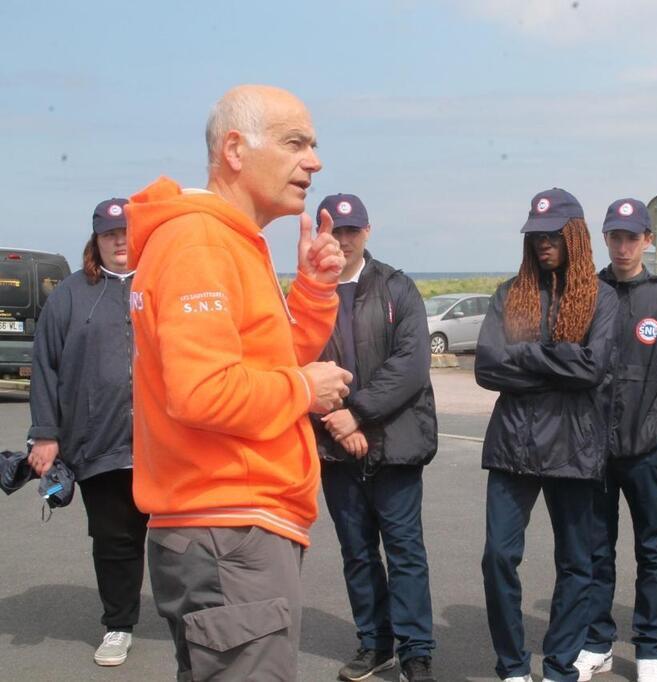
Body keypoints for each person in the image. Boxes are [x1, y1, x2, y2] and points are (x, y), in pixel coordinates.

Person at [127, 85, 350, 681]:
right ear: (235, 148)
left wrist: (313, 291)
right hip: (227, 526)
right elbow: (203, 391)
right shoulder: (200, 242)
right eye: (295, 142)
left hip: (225, 525)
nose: (314, 160)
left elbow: (265, 358)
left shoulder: (226, 241)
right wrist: (304, 390)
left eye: (313, 145)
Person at [476, 187, 618, 682]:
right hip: (512, 444)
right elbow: (488, 368)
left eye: (553, 233)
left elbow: (594, 368)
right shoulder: (506, 294)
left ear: (575, 234)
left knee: (577, 564)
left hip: (574, 448)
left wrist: (528, 354)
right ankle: (513, 667)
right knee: (497, 556)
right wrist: (556, 356)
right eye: (536, 234)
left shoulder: (603, 299)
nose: (543, 242)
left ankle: (560, 667)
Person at [572, 198, 657, 682]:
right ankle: (596, 642)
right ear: (604, 239)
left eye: (632, 237)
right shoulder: (589, 292)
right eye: (615, 236)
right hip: (594, 451)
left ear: (649, 239)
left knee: (651, 549)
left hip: (648, 451)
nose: (623, 246)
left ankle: (649, 647)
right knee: (595, 550)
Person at [311, 193, 438, 682]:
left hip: (395, 444)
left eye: (352, 230)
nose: (343, 240)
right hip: (335, 446)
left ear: (367, 231)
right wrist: (340, 425)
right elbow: (299, 366)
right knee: (357, 552)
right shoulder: (309, 293)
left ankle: (416, 648)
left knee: (405, 552)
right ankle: (374, 642)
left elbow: (410, 367)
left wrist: (359, 416)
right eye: (335, 231)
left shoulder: (397, 288)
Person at [27, 198, 148, 667]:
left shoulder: (162, 286)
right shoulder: (69, 296)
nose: (119, 241)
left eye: (126, 232)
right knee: (115, 541)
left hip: (166, 448)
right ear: (95, 240)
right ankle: (118, 624)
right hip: (99, 444)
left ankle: (193, 622)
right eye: (109, 234)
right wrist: (44, 433)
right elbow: (45, 368)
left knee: (180, 541)